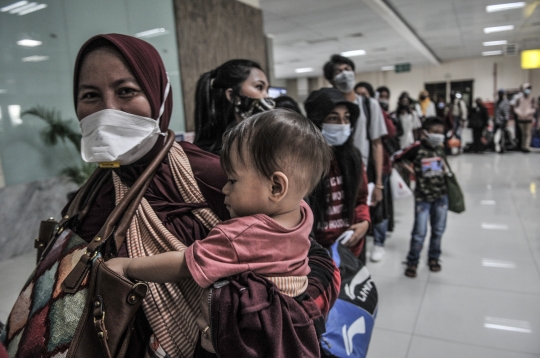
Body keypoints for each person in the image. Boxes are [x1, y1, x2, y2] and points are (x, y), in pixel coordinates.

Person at [22, 34, 338, 358]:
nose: (108, 109)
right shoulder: (90, 196)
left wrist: (280, 319)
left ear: (159, 95)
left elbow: (304, 258)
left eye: (126, 91)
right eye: (90, 95)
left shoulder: (211, 177)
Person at [107, 109, 332, 356]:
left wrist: (128, 266)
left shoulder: (239, 235)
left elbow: (184, 264)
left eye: (233, 181)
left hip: (243, 338)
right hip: (291, 327)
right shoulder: (302, 212)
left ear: (276, 187)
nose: (224, 188)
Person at [304, 87, 371, 259]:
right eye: (333, 118)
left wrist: (364, 221)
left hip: (349, 246)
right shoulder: (303, 161)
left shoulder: (353, 158)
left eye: (346, 118)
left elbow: (361, 198)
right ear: (317, 121)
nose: (342, 124)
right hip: (314, 252)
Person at [323, 55, 387, 212]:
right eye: (338, 71)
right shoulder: (325, 105)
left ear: (354, 74)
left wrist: (378, 183)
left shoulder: (368, 104)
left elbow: (376, 143)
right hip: (335, 174)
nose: (344, 74)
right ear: (331, 80)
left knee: (362, 215)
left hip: (362, 172)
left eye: (347, 69)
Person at [393, 117, 450, 278]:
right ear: (425, 133)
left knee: (438, 230)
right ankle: (413, 261)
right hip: (423, 199)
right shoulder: (416, 148)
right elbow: (397, 158)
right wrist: (411, 171)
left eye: (441, 132)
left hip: (441, 196)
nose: (439, 136)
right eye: (435, 132)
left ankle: (434, 258)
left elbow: (443, 164)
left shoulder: (440, 147)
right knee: (420, 232)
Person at [193, 59, 275, 155]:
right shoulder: (217, 156)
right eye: (259, 87)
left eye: (267, 89)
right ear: (232, 96)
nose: (267, 96)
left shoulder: (259, 143)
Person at [513, 83, 537, 152]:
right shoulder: (519, 99)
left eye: (529, 89)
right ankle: (523, 146)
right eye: (526, 89)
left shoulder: (532, 98)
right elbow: (515, 108)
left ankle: (527, 146)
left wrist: (528, 112)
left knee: (528, 133)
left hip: (528, 119)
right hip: (521, 119)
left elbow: (534, 108)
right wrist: (520, 113)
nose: (528, 90)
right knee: (523, 133)